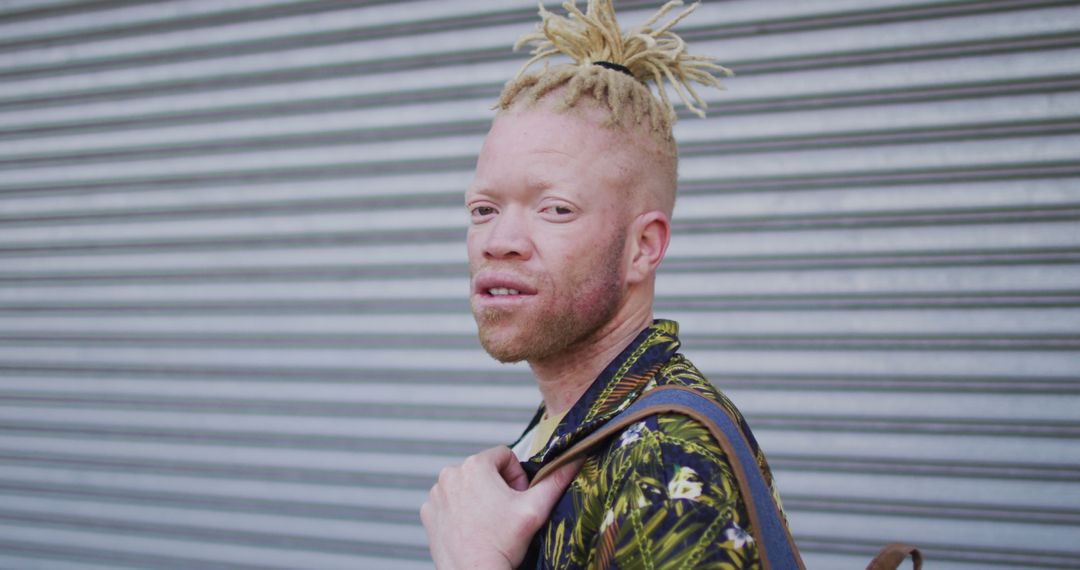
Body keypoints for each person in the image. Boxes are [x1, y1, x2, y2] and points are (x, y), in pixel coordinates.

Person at [421, 1, 787, 568]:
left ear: (643, 246)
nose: (499, 240)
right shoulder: (572, 426)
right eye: (483, 208)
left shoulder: (661, 463)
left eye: (556, 209)